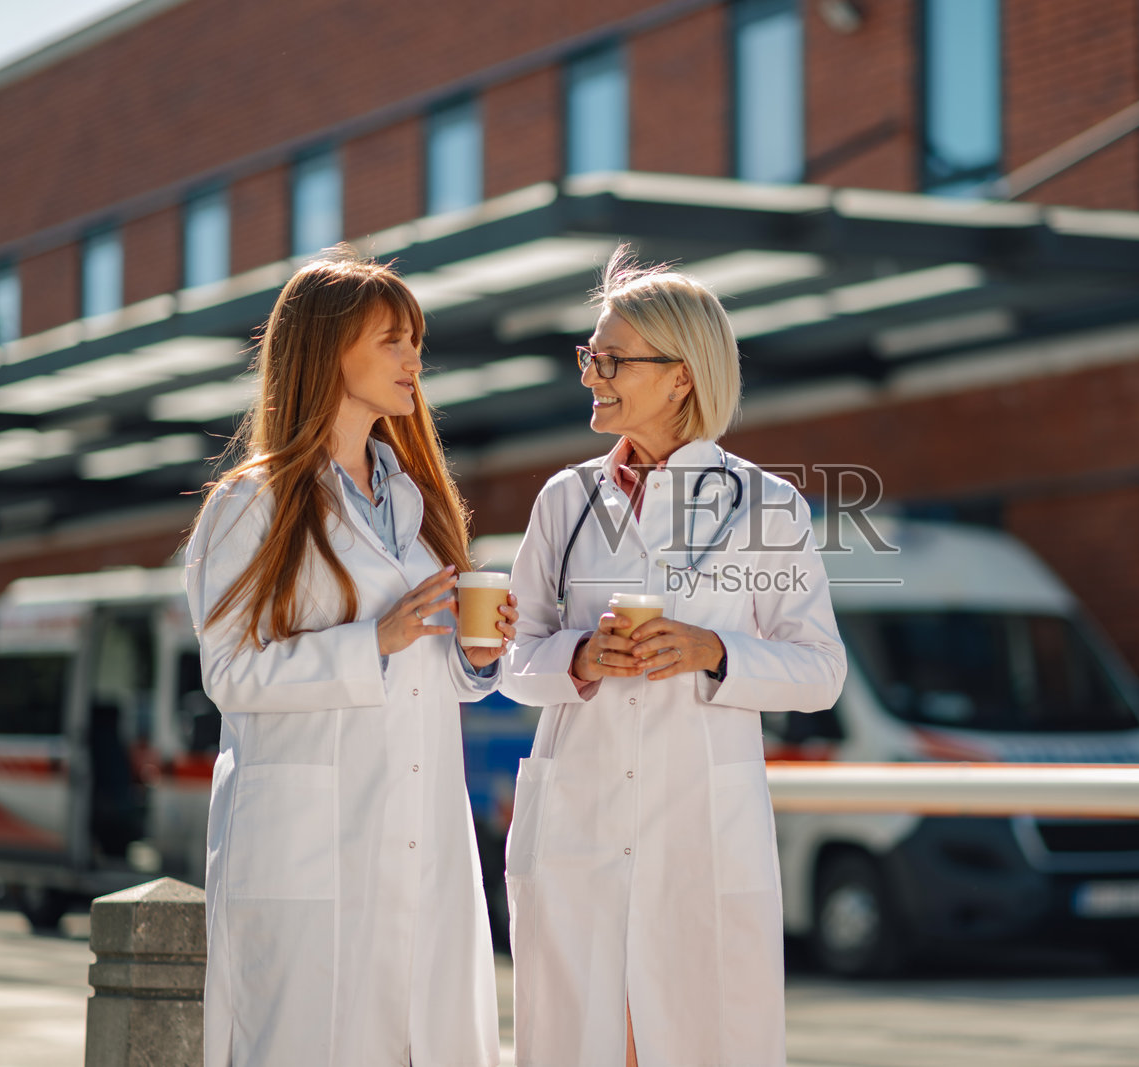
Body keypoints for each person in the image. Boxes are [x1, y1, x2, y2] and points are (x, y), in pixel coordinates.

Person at [501, 248, 847, 1066]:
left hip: (701, 836)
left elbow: (820, 668)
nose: (593, 376)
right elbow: (513, 655)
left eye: (612, 359)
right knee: (578, 1039)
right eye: (590, 356)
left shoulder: (766, 504)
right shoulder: (564, 500)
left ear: (681, 376)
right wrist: (579, 657)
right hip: (580, 827)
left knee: (696, 1037)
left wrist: (714, 649)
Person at [184, 250, 514, 1067]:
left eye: (417, 342)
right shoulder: (249, 505)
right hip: (307, 855)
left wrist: (475, 654)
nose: (415, 360)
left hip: (420, 835)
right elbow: (229, 673)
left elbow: (429, 676)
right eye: (392, 341)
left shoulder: (418, 501)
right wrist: (374, 640)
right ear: (327, 350)